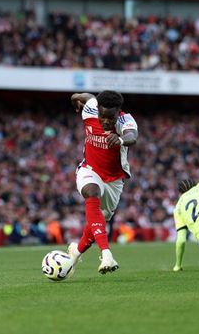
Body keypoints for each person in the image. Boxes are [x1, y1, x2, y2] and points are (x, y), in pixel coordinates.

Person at [67, 91, 138, 274]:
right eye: (102, 116)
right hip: (89, 170)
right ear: (96, 109)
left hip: (114, 180)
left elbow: (133, 136)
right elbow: (81, 96)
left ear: (119, 112)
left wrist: (121, 139)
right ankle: (106, 254)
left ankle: (76, 251)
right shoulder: (90, 107)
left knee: (96, 224)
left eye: (110, 117)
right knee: (92, 193)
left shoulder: (125, 120)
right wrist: (75, 100)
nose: (106, 121)